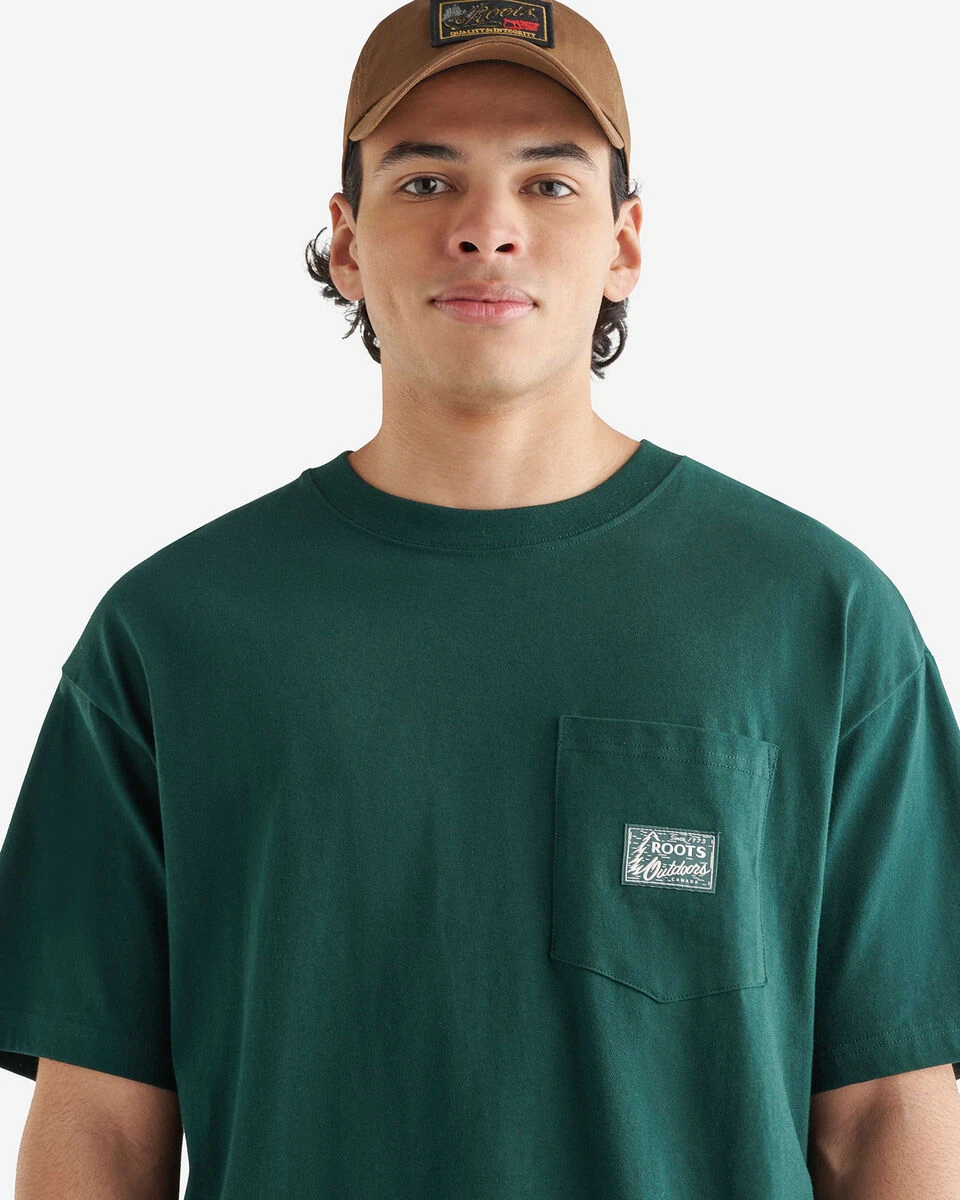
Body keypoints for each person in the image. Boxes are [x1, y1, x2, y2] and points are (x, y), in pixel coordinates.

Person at [2, 0, 960, 1195]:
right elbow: (98, 1127)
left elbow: (887, 1114)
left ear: (626, 241)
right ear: (346, 242)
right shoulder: (172, 635)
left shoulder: (817, 618)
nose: (487, 229)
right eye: (425, 182)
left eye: (549, 184)